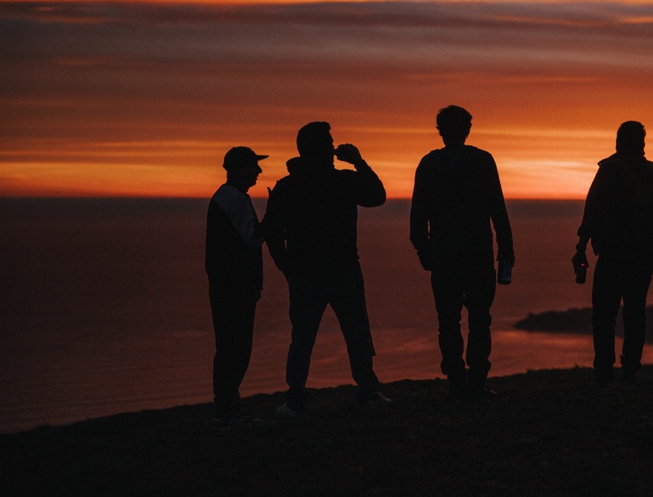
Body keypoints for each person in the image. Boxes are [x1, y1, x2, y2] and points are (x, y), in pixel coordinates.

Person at [263, 122, 389, 415]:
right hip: (343, 272)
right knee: (356, 335)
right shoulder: (342, 181)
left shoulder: (287, 186)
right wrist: (358, 161)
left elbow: (271, 232)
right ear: (321, 150)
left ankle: (296, 400)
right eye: (329, 144)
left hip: (307, 276)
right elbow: (377, 195)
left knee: (303, 339)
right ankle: (368, 393)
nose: (334, 149)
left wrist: (286, 267)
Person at [410, 105, 515, 399]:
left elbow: (418, 215)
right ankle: (476, 381)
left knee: (449, 320)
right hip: (477, 253)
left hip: (445, 255)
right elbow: (498, 207)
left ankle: (458, 380)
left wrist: (423, 249)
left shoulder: (430, 164)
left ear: (441, 131)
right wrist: (506, 247)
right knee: (479, 319)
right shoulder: (482, 161)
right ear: (467, 129)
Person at [572, 121, 653, 384]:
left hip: (614, 252)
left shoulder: (610, 170)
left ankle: (604, 368)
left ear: (619, 142)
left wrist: (581, 247)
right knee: (636, 308)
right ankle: (631, 366)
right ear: (643, 142)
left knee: (604, 312)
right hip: (645, 254)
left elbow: (592, 209)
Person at [205, 145, 268, 428]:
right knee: (236, 348)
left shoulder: (227, 197)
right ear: (239, 169)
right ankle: (227, 411)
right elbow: (253, 239)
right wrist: (275, 218)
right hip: (233, 288)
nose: (259, 171)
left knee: (230, 347)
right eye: (254, 166)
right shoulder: (234, 200)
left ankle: (227, 408)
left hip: (227, 287)